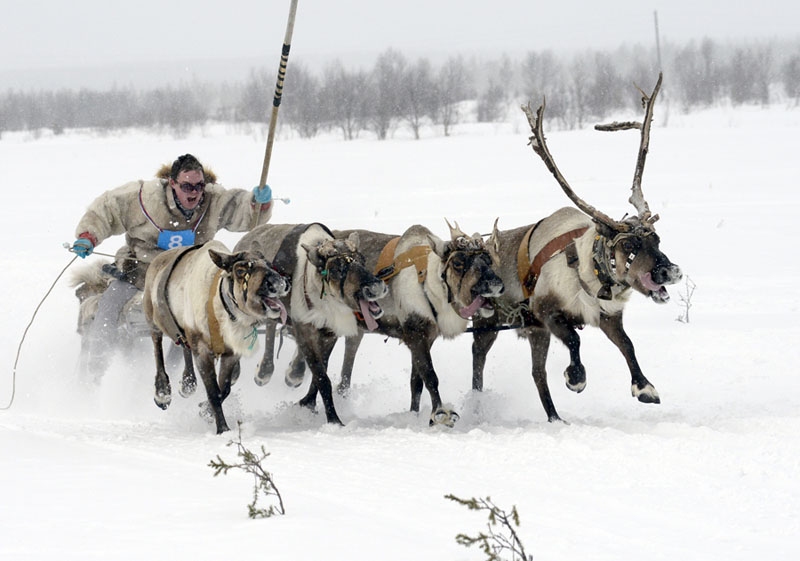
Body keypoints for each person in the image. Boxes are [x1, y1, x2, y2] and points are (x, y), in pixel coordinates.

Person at [71, 153, 274, 377]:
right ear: (172, 183)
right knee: (109, 305)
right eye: (187, 187)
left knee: (189, 321)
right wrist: (88, 235)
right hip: (141, 271)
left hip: (188, 275)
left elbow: (239, 210)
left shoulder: (213, 200)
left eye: (199, 187)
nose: (195, 193)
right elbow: (108, 208)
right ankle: (96, 371)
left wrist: (257, 205)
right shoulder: (145, 198)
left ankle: (178, 374)